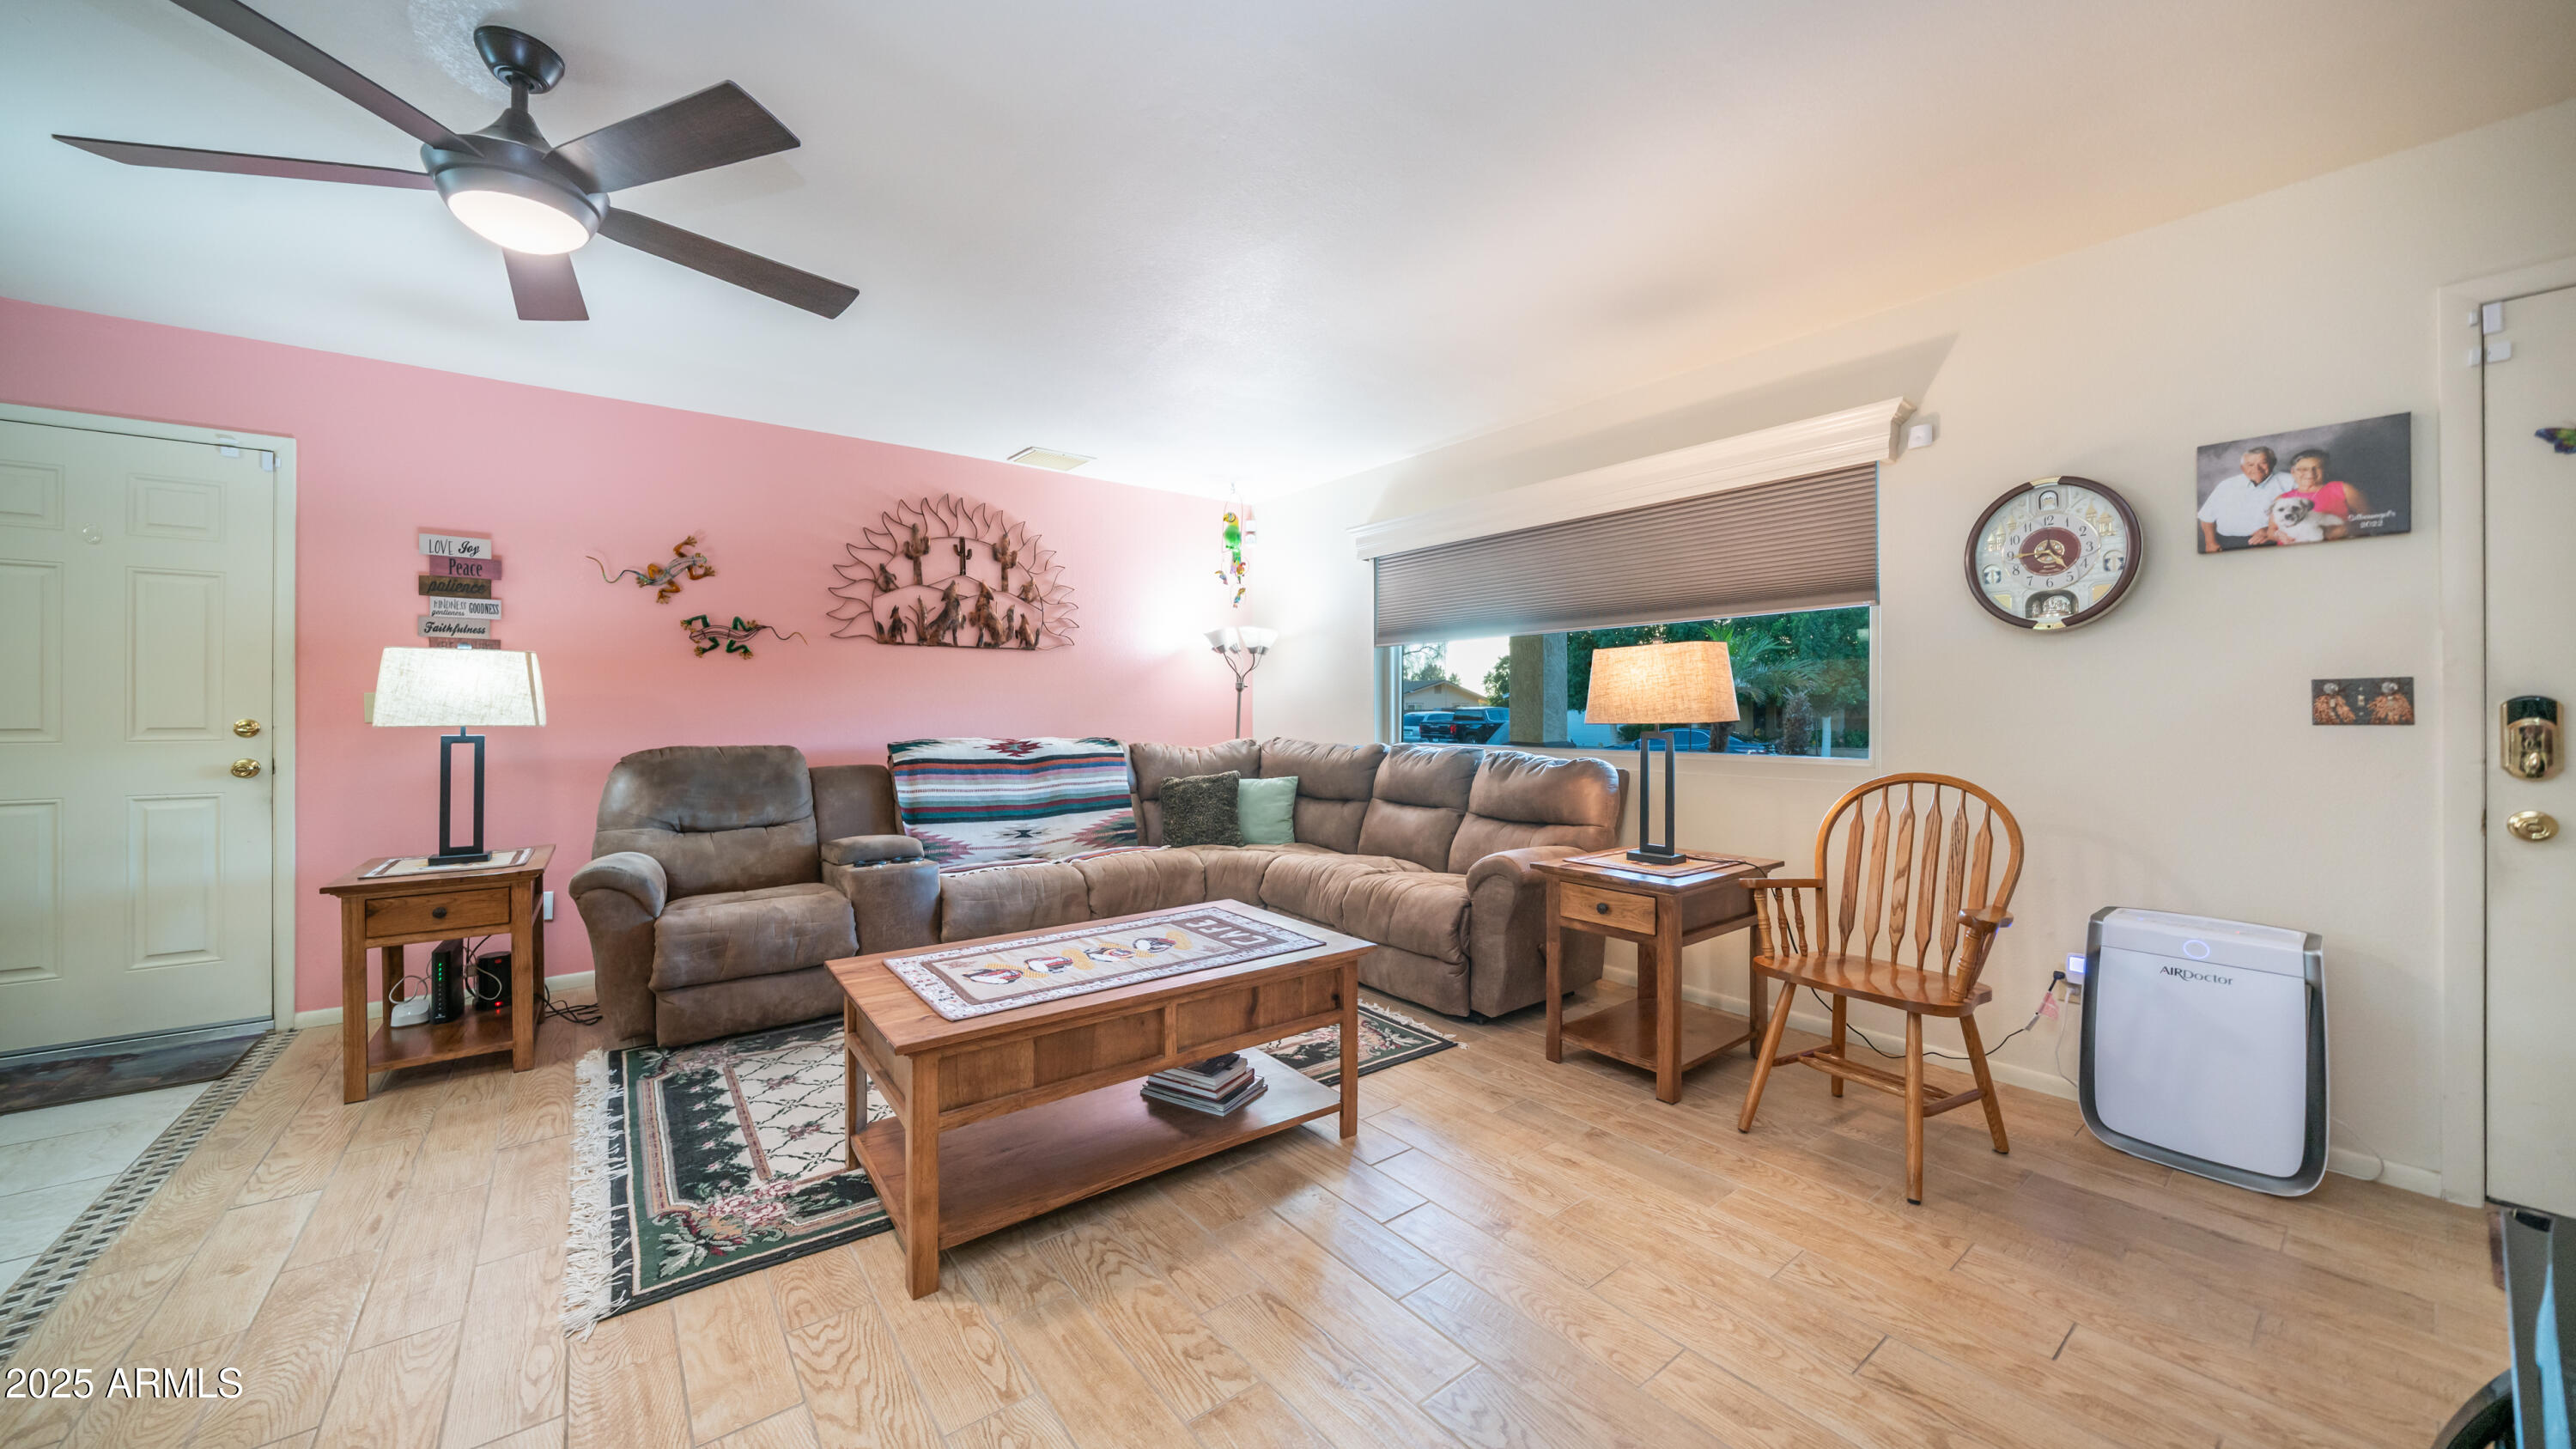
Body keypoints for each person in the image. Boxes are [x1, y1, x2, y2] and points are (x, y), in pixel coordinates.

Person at [2197, 446, 2292, 552]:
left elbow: (2306, 514)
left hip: (2268, 543)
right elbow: (2206, 517)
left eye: (2263, 463)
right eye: (2250, 465)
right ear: (2242, 468)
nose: (2257, 468)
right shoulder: (2227, 484)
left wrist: (2270, 531)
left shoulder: (2290, 481)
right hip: (2225, 543)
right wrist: (2210, 543)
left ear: (2273, 463)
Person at [2274, 447, 2367, 542]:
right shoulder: (2282, 498)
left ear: (2325, 470)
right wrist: (2278, 535)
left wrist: (2344, 529)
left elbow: (2371, 520)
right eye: (2303, 469)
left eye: (2317, 468)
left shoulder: (2344, 489)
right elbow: (2271, 531)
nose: (2310, 474)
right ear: (2293, 472)